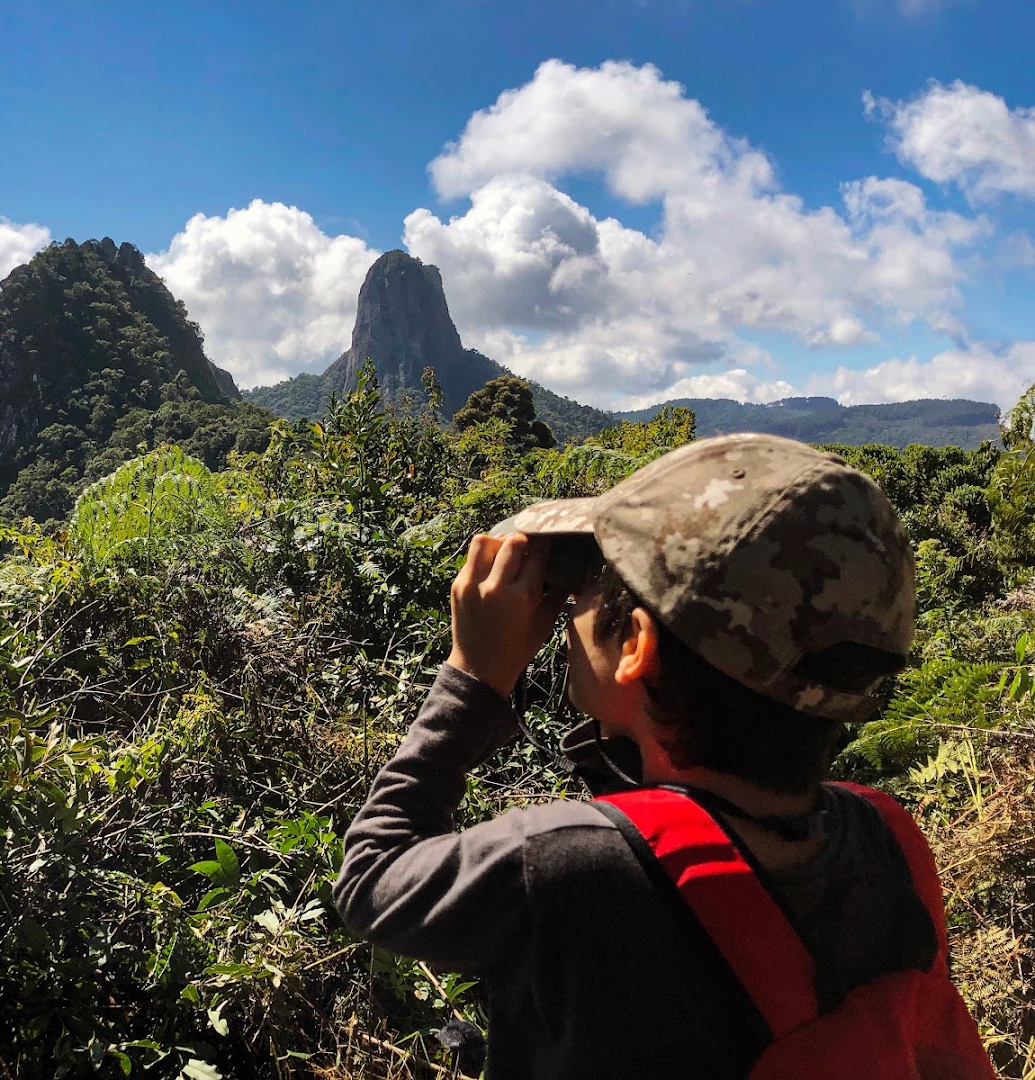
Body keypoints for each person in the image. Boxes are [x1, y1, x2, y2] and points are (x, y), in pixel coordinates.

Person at [332, 433, 994, 1078]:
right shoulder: (888, 840)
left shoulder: (565, 865)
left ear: (636, 645)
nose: (569, 609)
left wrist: (472, 679)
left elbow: (370, 877)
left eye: (586, 585)